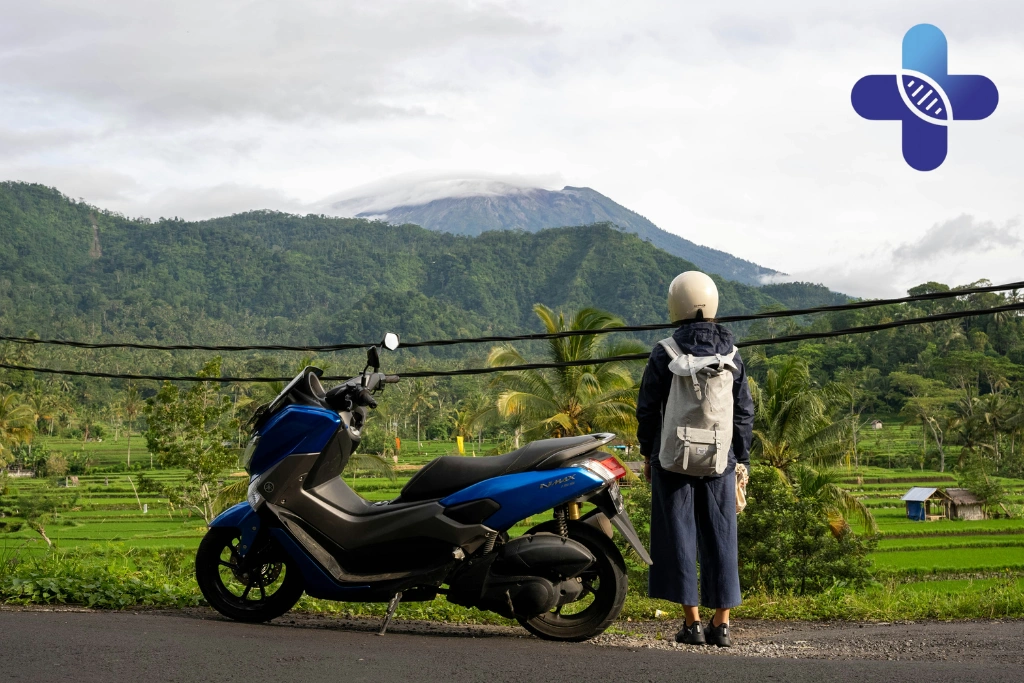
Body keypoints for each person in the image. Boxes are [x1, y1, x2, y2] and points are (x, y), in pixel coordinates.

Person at [636, 271, 754, 647]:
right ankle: (723, 626)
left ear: (676, 306)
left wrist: (648, 453)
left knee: (678, 536)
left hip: (672, 457)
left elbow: (647, 409)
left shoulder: (665, 351)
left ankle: (693, 625)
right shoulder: (732, 354)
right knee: (722, 536)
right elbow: (744, 413)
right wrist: (741, 459)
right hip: (721, 458)